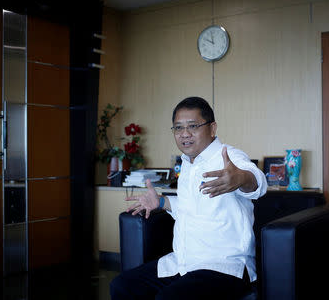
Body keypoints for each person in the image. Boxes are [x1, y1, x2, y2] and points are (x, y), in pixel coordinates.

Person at [110, 97, 267, 300]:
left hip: (224, 265)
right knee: (122, 286)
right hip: (183, 261)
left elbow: (258, 184)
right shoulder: (187, 163)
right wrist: (160, 202)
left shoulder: (228, 156)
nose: (185, 134)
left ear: (212, 128)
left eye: (193, 126)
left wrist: (241, 178)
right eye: (178, 128)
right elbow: (190, 207)